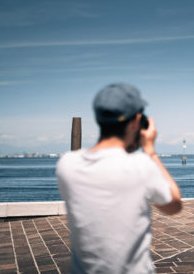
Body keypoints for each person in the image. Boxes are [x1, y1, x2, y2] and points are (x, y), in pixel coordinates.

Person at [56, 83, 182, 274]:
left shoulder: (67, 164)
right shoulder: (142, 165)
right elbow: (174, 206)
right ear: (137, 120)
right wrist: (150, 151)